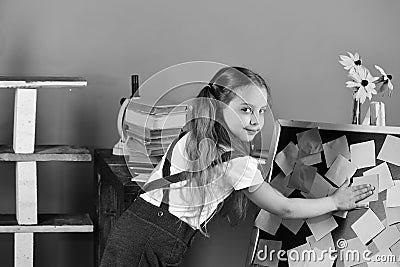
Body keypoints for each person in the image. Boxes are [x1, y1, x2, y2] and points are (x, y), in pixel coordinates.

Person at [100, 66, 374, 267]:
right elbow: (284, 207)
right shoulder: (237, 164)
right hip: (154, 239)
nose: (256, 120)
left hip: (135, 227)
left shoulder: (194, 134)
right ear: (219, 109)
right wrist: (335, 201)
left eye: (262, 111)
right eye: (245, 110)